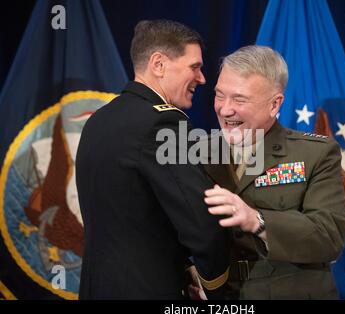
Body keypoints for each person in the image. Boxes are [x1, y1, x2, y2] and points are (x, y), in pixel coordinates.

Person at [75, 19, 230, 299]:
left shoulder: (99, 120)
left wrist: (183, 266)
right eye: (194, 67)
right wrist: (219, 289)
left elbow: (132, 216)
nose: (202, 78)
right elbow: (202, 225)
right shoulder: (162, 125)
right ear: (158, 64)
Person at [199, 45, 345, 299]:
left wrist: (256, 220)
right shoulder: (196, 152)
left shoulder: (317, 154)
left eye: (239, 99)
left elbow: (329, 236)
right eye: (219, 95)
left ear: (274, 104)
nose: (225, 110)